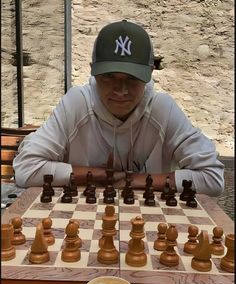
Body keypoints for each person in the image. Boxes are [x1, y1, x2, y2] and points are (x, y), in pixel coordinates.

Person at [13, 19, 224, 196]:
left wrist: (136, 180)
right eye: (109, 77)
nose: (121, 90)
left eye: (132, 78)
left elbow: (213, 178)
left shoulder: (162, 109)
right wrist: (99, 175)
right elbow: (25, 169)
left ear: (150, 72)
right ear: (93, 72)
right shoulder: (77, 104)